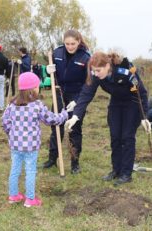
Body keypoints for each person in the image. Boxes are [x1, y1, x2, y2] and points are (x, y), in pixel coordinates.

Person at [65, 51, 150, 186]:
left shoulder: (125, 71)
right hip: (116, 103)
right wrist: (75, 116)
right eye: (94, 71)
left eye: (99, 70)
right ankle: (116, 170)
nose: (96, 74)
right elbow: (86, 94)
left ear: (107, 66)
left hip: (132, 103)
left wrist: (144, 116)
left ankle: (126, 174)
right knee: (115, 136)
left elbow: (142, 93)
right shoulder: (96, 75)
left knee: (127, 137)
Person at [2, 72, 72, 207]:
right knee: (30, 171)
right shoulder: (37, 105)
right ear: (33, 89)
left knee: (15, 169)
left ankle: (13, 195)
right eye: (38, 86)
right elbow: (52, 119)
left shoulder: (12, 104)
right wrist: (64, 114)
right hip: (31, 146)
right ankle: (30, 199)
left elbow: (5, 122)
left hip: (15, 145)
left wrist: (11, 133)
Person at [42, 29, 91, 174]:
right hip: (59, 91)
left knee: (74, 128)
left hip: (76, 95)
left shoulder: (85, 57)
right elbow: (53, 74)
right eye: (67, 43)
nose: (70, 46)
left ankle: (75, 162)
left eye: (73, 44)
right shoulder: (57, 53)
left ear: (79, 42)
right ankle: (52, 158)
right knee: (56, 125)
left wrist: (77, 100)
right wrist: (48, 70)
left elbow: (88, 83)